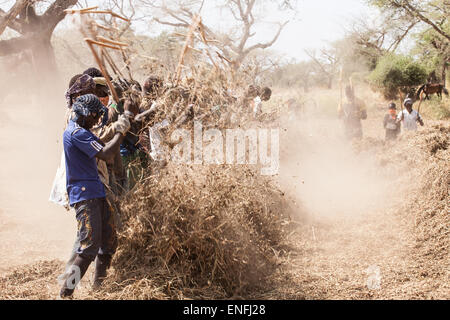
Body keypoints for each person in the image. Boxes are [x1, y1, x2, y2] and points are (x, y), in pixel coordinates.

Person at [59, 94, 133, 298]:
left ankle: (99, 290)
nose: (96, 120)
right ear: (86, 114)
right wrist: (121, 130)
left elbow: (101, 145)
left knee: (108, 243)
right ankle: (66, 291)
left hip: (96, 192)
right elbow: (107, 154)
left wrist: (120, 126)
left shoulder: (82, 131)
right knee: (88, 248)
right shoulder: (77, 134)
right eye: (94, 116)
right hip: (85, 196)